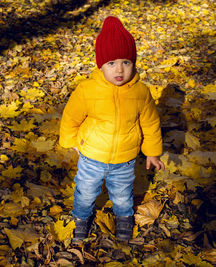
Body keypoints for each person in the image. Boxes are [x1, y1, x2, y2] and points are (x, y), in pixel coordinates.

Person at [59, 16, 165, 242]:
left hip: (124, 159)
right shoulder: (88, 90)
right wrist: (71, 141)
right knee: (85, 193)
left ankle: (124, 218)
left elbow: (150, 123)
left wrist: (152, 152)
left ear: (133, 63)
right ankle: (81, 218)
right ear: (101, 64)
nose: (119, 69)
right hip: (91, 157)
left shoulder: (140, 92)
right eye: (111, 63)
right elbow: (71, 117)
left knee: (122, 194)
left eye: (126, 62)